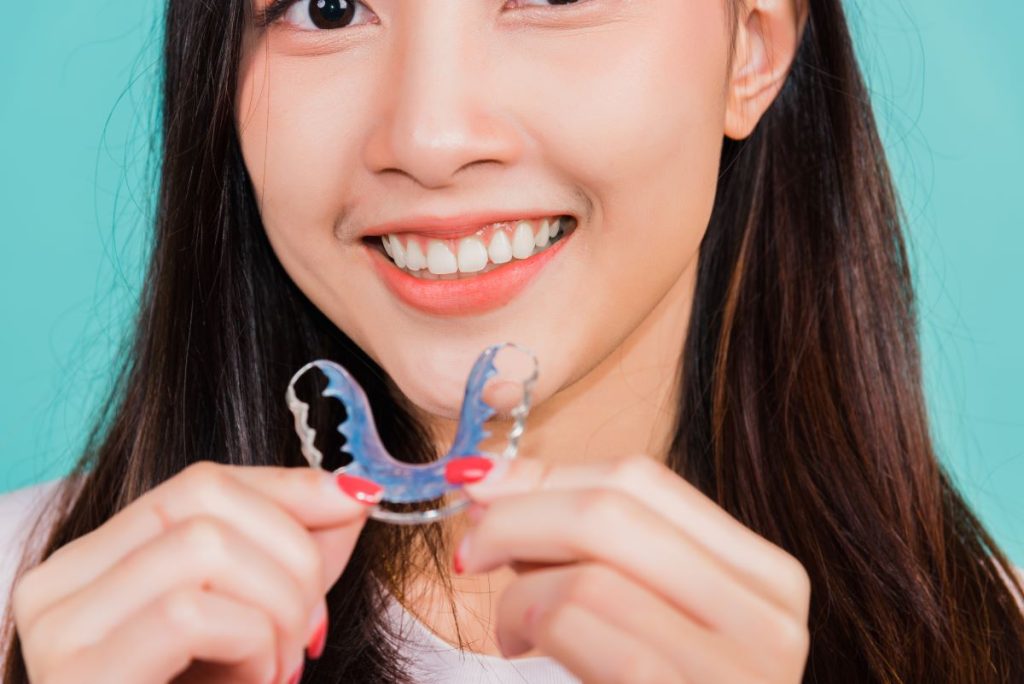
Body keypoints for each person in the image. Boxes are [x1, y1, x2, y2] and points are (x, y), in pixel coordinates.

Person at [2, 0, 1022, 682]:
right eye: (327, 3)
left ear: (749, 46)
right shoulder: (26, 601)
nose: (431, 140)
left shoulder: (985, 636)